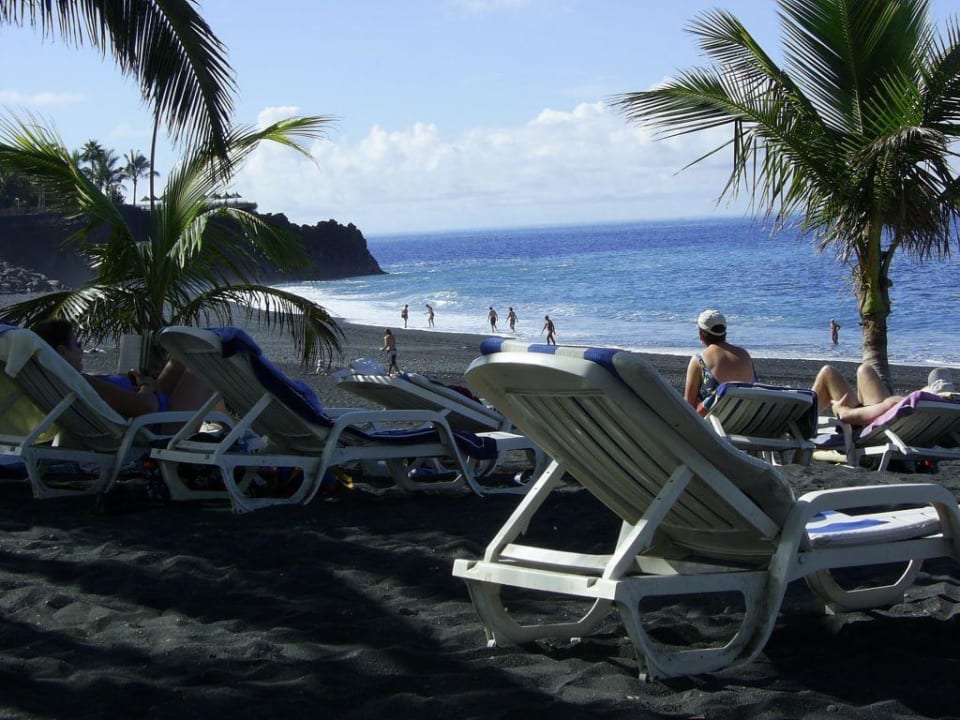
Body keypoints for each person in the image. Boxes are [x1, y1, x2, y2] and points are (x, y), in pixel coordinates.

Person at [32, 318, 215, 418]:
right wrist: (146, 386)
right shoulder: (81, 382)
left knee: (180, 357)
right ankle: (239, 423)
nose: (82, 351)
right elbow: (145, 407)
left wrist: (128, 381)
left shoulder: (57, 379)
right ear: (62, 352)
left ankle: (235, 421)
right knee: (207, 362)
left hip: (154, 411)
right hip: (164, 423)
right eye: (77, 345)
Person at [684, 309, 757, 416]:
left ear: (701, 334)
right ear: (725, 332)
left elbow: (687, 405)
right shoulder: (745, 355)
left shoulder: (699, 360)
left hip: (716, 424)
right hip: (746, 419)